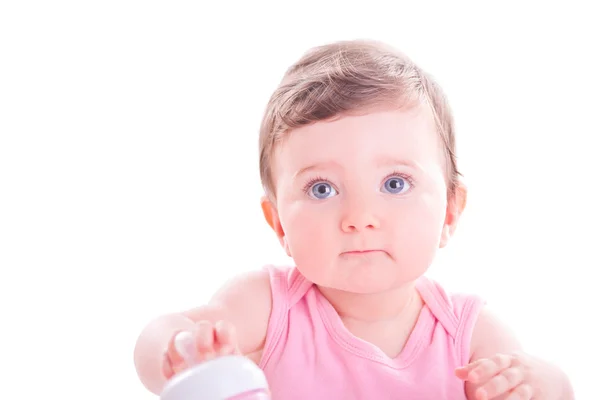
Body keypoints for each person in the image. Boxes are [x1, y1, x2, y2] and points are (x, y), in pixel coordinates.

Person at [133, 39, 574, 399]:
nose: (359, 218)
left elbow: (546, 388)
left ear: (450, 212)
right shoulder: (268, 307)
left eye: (395, 183)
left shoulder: (472, 334)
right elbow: (164, 333)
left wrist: (542, 385)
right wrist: (180, 351)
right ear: (280, 224)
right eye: (322, 189)